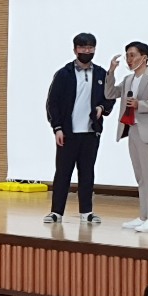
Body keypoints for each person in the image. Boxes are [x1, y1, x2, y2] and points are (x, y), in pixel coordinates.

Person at [44, 32, 116, 225]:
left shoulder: (101, 74)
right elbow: (52, 103)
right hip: (67, 134)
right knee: (63, 173)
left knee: (87, 173)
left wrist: (102, 108)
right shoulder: (64, 74)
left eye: (90, 47)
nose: (87, 51)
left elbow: (110, 97)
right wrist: (57, 128)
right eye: (83, 47)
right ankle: (56, 212)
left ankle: (86, 212)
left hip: (91, 133)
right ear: (75, 49)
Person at [105, 41, 148, 233]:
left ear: (144, 57)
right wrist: (111, 72)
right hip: (132, 130)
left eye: (133, 55)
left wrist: (140, 105)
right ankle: (144, 216)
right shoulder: (128, 79)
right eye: (127, 55)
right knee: (140, 175)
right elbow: (110, 93)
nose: (129, 59)